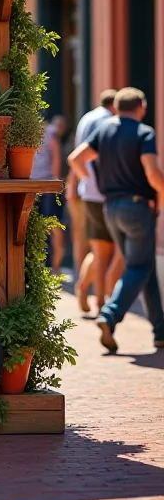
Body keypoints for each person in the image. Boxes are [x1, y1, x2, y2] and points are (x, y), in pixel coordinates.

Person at [69, 87, 164, 353]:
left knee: (143, 268)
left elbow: (76, 159)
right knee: (139, 267)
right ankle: (110, 315)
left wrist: (93, 182)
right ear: (141, 106)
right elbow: (152, 172)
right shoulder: (144, 132)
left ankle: (160, 331)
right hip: (137, 208)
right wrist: (162, 196)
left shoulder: (105, 130)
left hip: (111, 209)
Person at [68, 90, 124, 314]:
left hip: (88, 192)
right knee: (113, 249)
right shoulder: (109, 122)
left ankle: (88, 291)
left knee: (98, 248)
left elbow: (76, 154)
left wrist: (80, 182)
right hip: (106, 194)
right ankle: (104, 301)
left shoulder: (86, 118)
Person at [32, 114, 68, 273]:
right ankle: (44, 265)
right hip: (34, 186)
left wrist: (54, 182)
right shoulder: (43, 133)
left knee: (52, 224)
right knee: (42, 225)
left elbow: (56, 158)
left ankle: (55, 266)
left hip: (47, 187)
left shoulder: (49, 133)